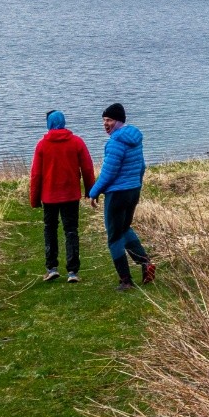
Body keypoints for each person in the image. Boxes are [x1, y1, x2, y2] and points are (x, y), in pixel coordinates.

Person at [89, 102, 156, 291]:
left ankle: (126, 281)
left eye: (109, 120)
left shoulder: (115, 142)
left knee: (114, 236)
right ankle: (145, 263)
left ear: (118, 121)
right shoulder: (134, 138)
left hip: (117, 194)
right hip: (133, 190)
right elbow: (141, 166)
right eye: (103, 120)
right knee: (125, 228)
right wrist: (138, 184)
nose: (105, 124)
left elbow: (109, 172)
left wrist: (94, 192)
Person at [29, 110, 95, 283]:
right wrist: (91, 191)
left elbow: (36, 175)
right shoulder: (77, 142)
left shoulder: (42, 145)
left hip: (49, 196)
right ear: (64, 122)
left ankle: (51, 268)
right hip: (71, 195)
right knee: (71, 230)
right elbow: (87, 168)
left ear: (49, 123)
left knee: (50, 229)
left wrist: (34, 199)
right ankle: (73, 272)